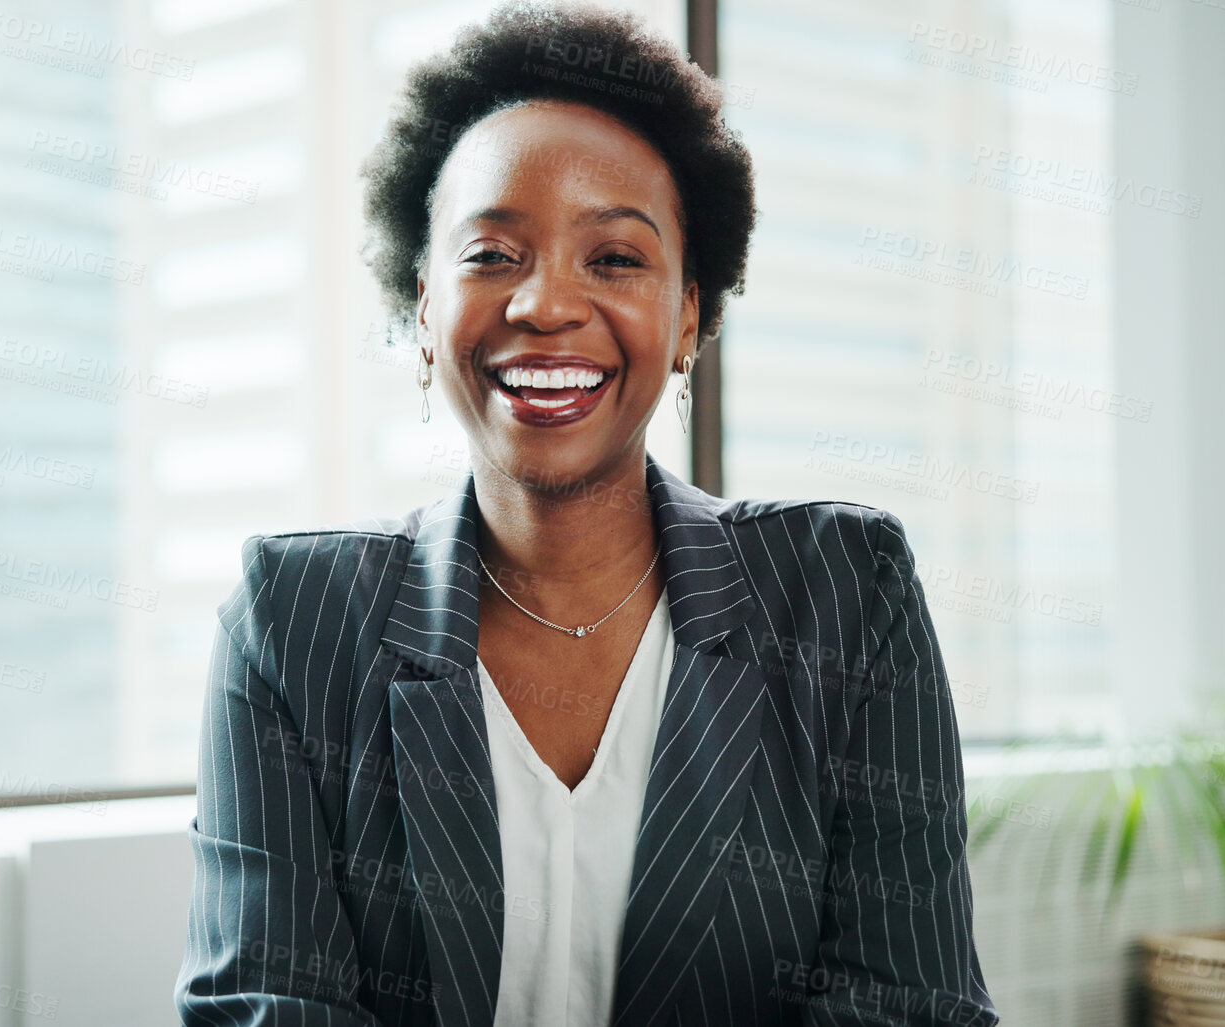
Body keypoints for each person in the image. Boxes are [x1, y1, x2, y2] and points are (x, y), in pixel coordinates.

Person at [176, 3, 998, 1024]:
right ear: (423, 310)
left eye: (614, 259)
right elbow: (268, 1007)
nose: (547, 304)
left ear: (688, 312)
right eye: (491, 256)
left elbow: (911, 1005)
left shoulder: (843, 591)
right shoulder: (293, 623)